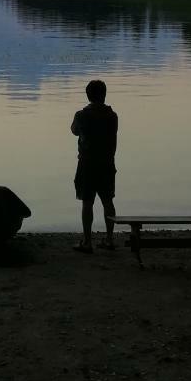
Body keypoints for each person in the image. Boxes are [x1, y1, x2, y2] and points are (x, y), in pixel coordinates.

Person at [71, 79, 118, 253]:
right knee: (108, 201)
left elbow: (74, 130)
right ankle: (110, 239)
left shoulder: (81, 115)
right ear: (104, 95)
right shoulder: (112, 116)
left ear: (88, 95)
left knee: (87, 202)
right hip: (107, 163)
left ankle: (88, 241)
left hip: (87, 164)